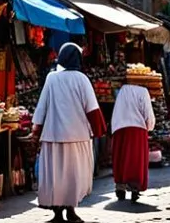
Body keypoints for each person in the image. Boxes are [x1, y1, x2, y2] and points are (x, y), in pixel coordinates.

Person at [32, 43, 106, 223]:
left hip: (54, 135)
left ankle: (57, 214)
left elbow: (41, 108)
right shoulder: (82, 79)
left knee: (55, 177)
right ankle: (71, 211)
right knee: (73, 176)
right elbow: (93, 109)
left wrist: (36, 130)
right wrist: (99, 131)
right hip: (77, 136)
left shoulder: (51, 78)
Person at [111, 79, 155, 203]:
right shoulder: (143, 91)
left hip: (120, 127)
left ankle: (120, 186)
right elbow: (148, 113)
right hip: (138, 129)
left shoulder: (122, 90)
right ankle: (134, 188)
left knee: (121, 158)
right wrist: (150, 126)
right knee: (135, 159)